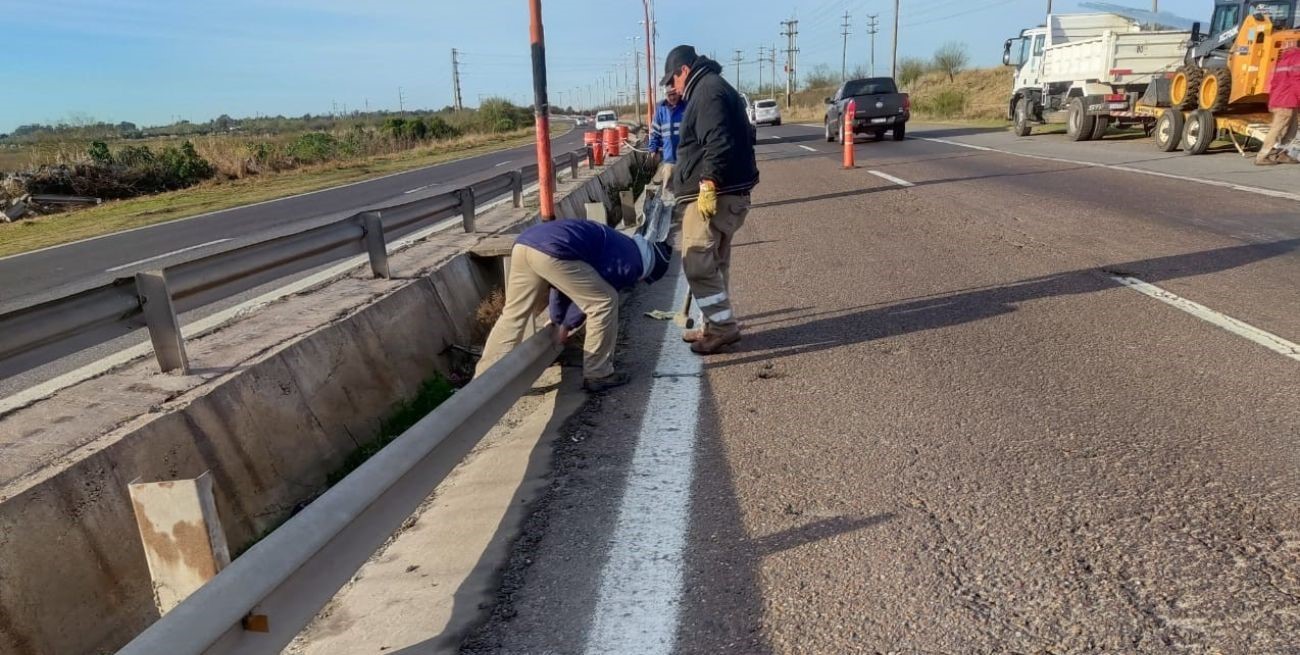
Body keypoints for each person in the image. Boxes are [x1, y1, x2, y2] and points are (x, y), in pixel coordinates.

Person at [475, 219, 672, 392]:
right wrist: (566, 324)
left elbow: (567, 286)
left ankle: (482, 383)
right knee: (605, 302)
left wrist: (559, 321)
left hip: (525, 243)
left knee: (513, 314)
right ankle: (598, 372)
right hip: (553, 251)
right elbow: (592, 299)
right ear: (649, 269)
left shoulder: (622, 243)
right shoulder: (633, 263)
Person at [660, 44, 760, 354]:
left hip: (713, 195)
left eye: (673, 80)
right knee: (715, 264)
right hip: (727, 193)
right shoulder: (712, 87)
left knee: (698, 263)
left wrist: (708, 182)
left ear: (684, 70)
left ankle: (722, 329)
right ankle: (712, 326)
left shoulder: (706, 92)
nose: (673, 87)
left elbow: (718, 140)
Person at [1257, 41, 1300, 165]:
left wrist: (1271, 101)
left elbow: (1273, 83)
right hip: (1287, 100)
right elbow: (1297, 81)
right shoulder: (1297, 58)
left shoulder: (1282, 61)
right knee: (1278, 129)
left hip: (1282, 99)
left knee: (1292, 128)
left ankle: (1281, 154)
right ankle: (1262, 156)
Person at [647, 85, 686, 181]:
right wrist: (653, 148)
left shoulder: (687, 107)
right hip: (669, 159)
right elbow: (655, 132)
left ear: (678, 93)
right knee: (668, 186)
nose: (672, 97)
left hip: (686, 159)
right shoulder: (661, 110)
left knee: (686, 187)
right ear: (665, 95)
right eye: (669, 95)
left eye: (674, 94)